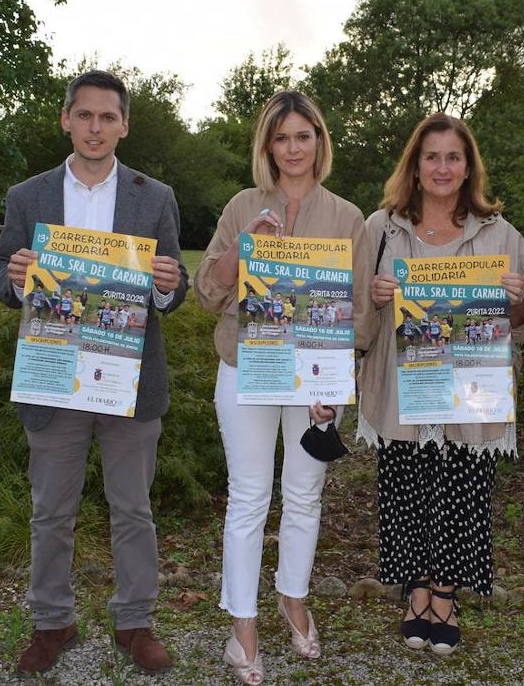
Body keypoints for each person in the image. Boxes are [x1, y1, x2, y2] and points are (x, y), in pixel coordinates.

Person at [0, 69, 187, 675]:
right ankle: (53, 622)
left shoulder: (154, 197)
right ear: (66, 119)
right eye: (85, 115)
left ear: (124, 125)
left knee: (132, 509)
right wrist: (16, 278)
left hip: (128, 378)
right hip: (53, 372)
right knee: (51, 511)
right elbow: (3, 278)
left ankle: (135, 622)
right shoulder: (28, 196)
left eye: (108, 117)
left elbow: (172, 291)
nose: (95, 127)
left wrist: (166, 287)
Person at [194, 91, 372, 685]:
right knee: (248, 497)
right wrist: (245, 251)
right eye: (281, 138)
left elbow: (357, 313)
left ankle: (292, 596)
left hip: (314, 381)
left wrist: (335, 379)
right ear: (266, 146)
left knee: (304, 493)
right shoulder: (243, 205)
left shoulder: (348, 218)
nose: (293, 148)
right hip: (246, 368)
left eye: (304, 136)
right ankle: (241, 625)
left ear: (319, 141)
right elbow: (207, 292)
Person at [361, 113, 524, 655]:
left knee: (462, 492)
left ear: (468, 166)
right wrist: (376, 294)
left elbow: (522, 324)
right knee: (406, 490)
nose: (441, 167)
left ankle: (445, 596)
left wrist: (517, 296)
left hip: (471, 391)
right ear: (414, 165)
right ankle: (415, 591)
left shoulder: (500, 234)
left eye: (452, 157)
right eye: (430, 157)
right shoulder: (381, 228)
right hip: (400, 384)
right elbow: (352, 311)